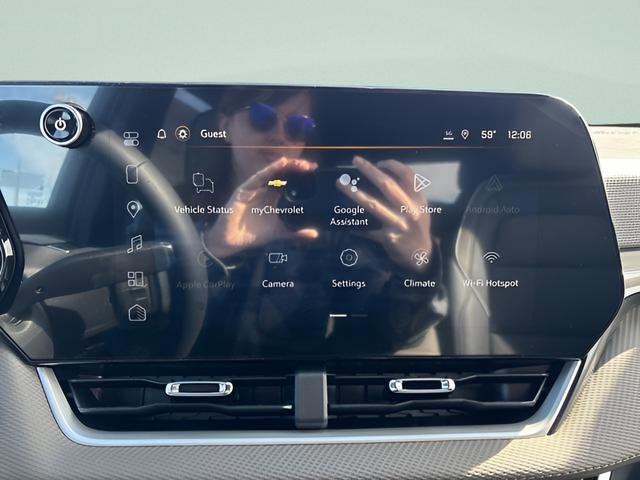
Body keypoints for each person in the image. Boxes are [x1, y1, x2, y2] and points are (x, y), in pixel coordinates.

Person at [193, 88, 446, 356]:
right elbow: (161, 321)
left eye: (298, 126)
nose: (280, 135)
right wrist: (211, 251)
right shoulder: (175, 209)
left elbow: (377, 338)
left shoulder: (325, 231)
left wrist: (416, 269)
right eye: (262, 116)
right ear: (225, 125)